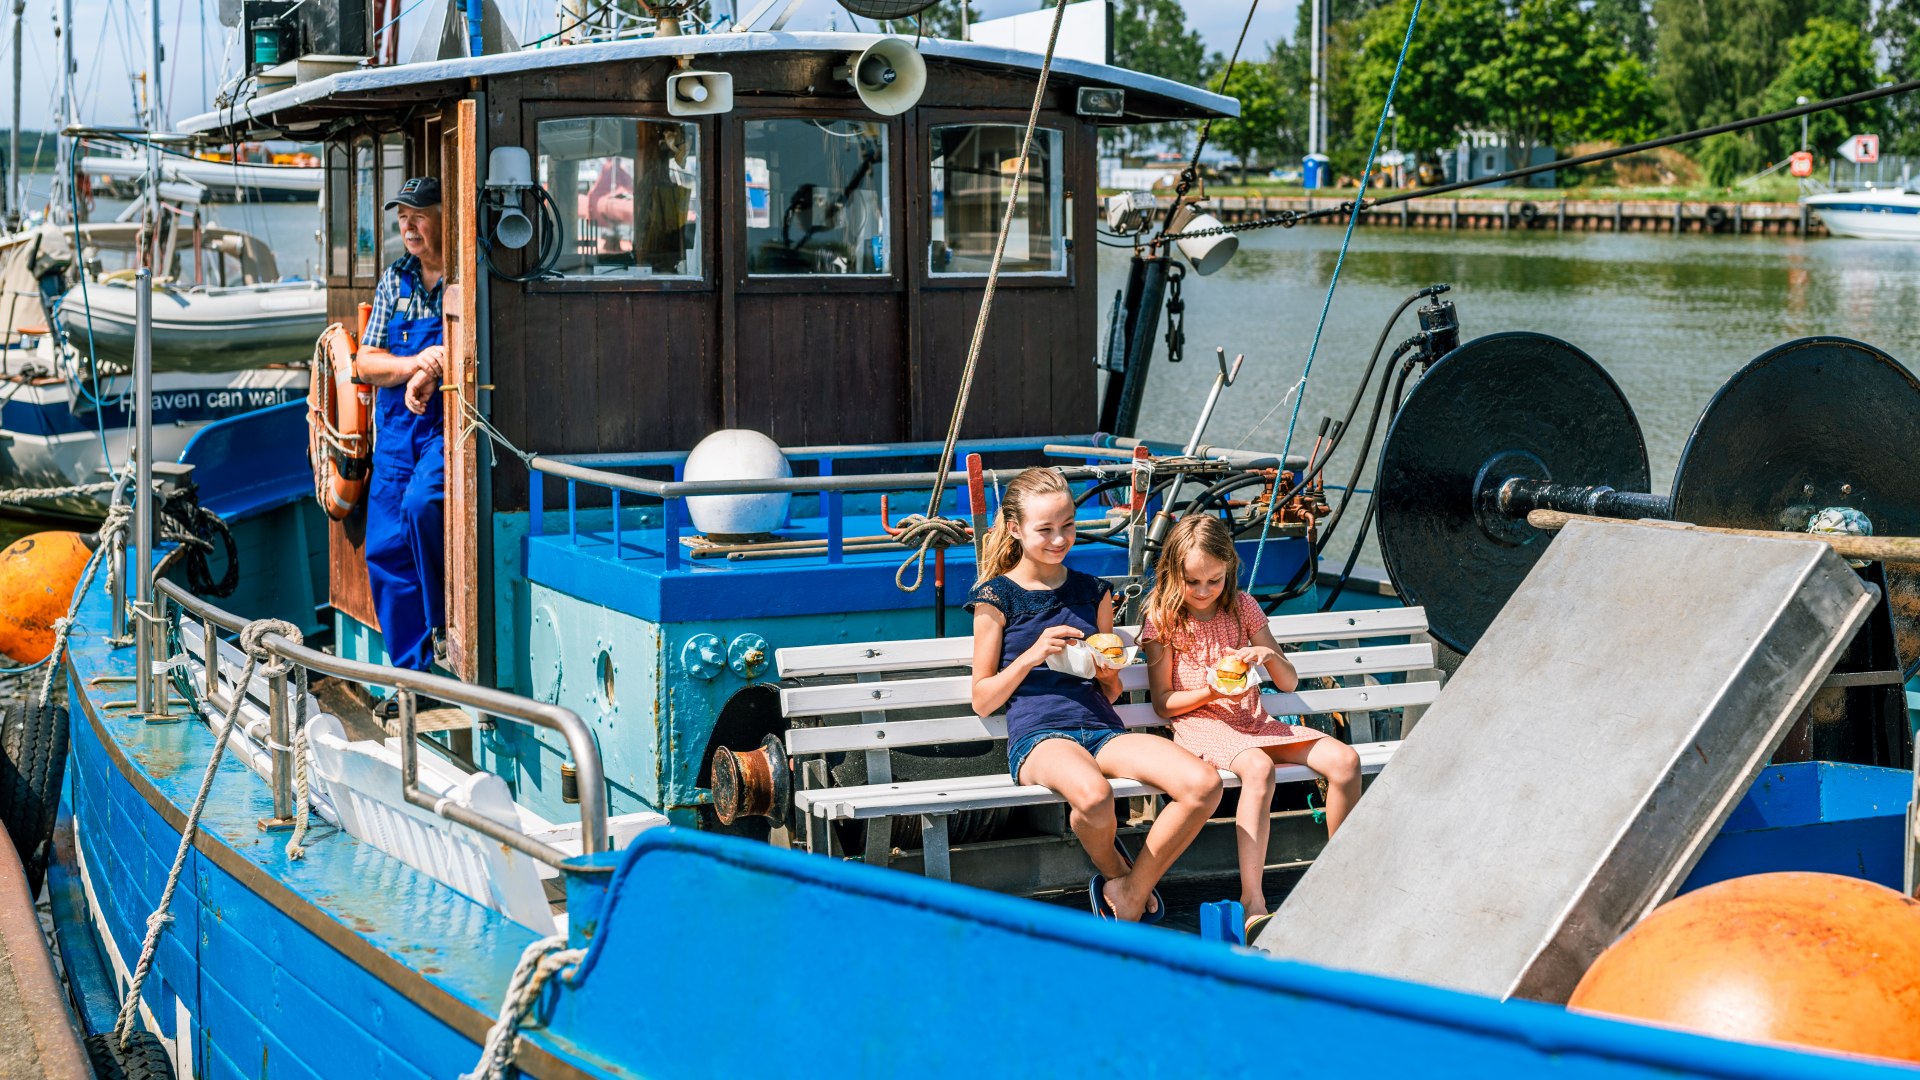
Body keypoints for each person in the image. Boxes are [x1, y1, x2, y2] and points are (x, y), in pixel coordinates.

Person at [968, 468, 1222, 923]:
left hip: (1103, 728)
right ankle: (1116, 872)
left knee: (1203, 784)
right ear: (1015, 529)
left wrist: (1109, 671)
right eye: (1045, 530)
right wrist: (1032, 655)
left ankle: (1130, 890)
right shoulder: (996, 597)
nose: (1059, 539)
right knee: (1093, 796)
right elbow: (983, 699)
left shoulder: (1093, 591)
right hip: (1040, 737)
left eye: (1067, 525)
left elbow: (1114, 687)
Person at [1140, 514, 1363, 937]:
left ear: (1229, 570)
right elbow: (1164, 705)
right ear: (1173, 573)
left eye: (1214, 580)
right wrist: (1211, 693)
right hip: (1201, 722)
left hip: (1254, 721)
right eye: (1193, 582)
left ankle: (1340, 876)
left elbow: (1288, 681)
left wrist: (1268, 657)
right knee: (1258, 767)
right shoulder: (1163, 618)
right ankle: (1252, 899)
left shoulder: (1243, 606)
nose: (1204, 592)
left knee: (1345, 760)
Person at [353, 176, 448, 697]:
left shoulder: (462, 278)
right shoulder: (395, 279)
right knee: (385, 549)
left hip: (443, 430)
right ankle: (413, 678)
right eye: (402, 217)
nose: (409, 226)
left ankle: (442, 632)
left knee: (423, 504)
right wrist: (416, 363)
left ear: (441, 217)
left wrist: (433, 368)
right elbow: (366, 361)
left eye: (419, 215)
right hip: (395, 434)